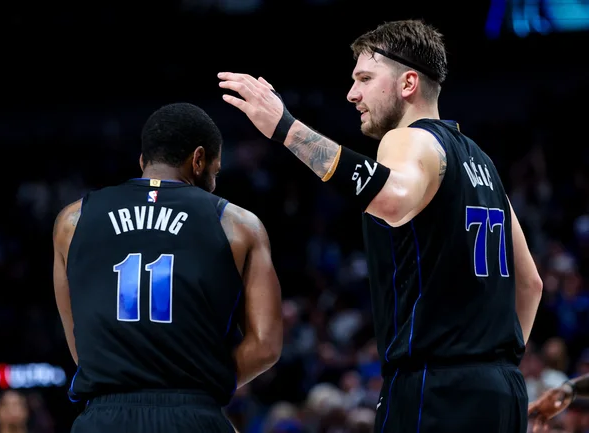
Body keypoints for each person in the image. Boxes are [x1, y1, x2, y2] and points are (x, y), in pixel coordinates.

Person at [218, 19, 542, 433]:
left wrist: (286, 129)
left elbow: (392, 200)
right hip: (503, 391)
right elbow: (530, 283)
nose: (352, 94)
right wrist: (495, 367)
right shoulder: (482, 161)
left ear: (408, 83)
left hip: (435, 389)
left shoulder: (409, 140)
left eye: (365, 78)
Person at [52, 102, 283, 433]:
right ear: (199, 159)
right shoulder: (239, 224)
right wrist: (203, 384)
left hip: (105, 417)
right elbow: (266, 346)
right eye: (215, 173)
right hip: (194, 415)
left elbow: (80, 346)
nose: (214, 183)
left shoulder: (72, 220)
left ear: (143, 161)